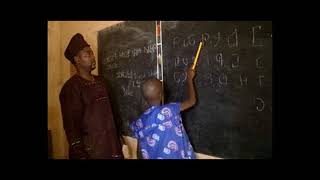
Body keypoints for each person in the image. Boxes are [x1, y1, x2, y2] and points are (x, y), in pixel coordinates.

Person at [59, 33, 124, 159]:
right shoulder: (71, 88)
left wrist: (119, 138)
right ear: (77, 59)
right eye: (87, 54)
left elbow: (114, 113)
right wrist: (80, 154)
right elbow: (72, 128)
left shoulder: (103, 82)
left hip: (112, 146)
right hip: (91, 152)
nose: (93, 57)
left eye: (92, 53)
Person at [130, 67, 197, 159]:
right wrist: (190, 79)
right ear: (161, 95)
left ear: (145, 98)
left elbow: (140, 149)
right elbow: (192, 101)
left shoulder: (140, 121)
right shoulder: (170, 110)